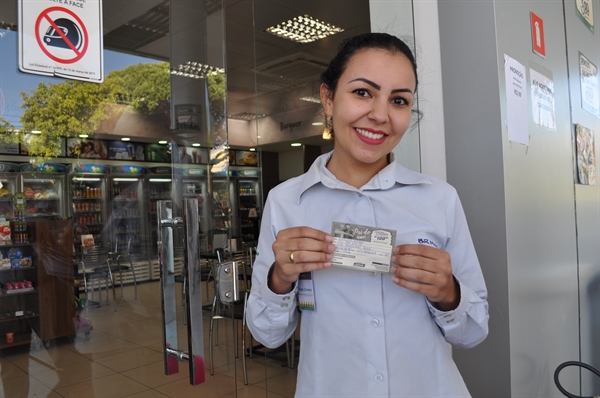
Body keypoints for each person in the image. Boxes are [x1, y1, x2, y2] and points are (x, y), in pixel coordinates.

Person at [246, 32, 489, 397]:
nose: (380, 115)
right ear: (328, 98)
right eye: (362, 92)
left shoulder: (440, 200)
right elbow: (267, 335)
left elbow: (474, 331)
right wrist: (280, 277)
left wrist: (448, 293)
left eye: (399, 100)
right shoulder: (286, 202)